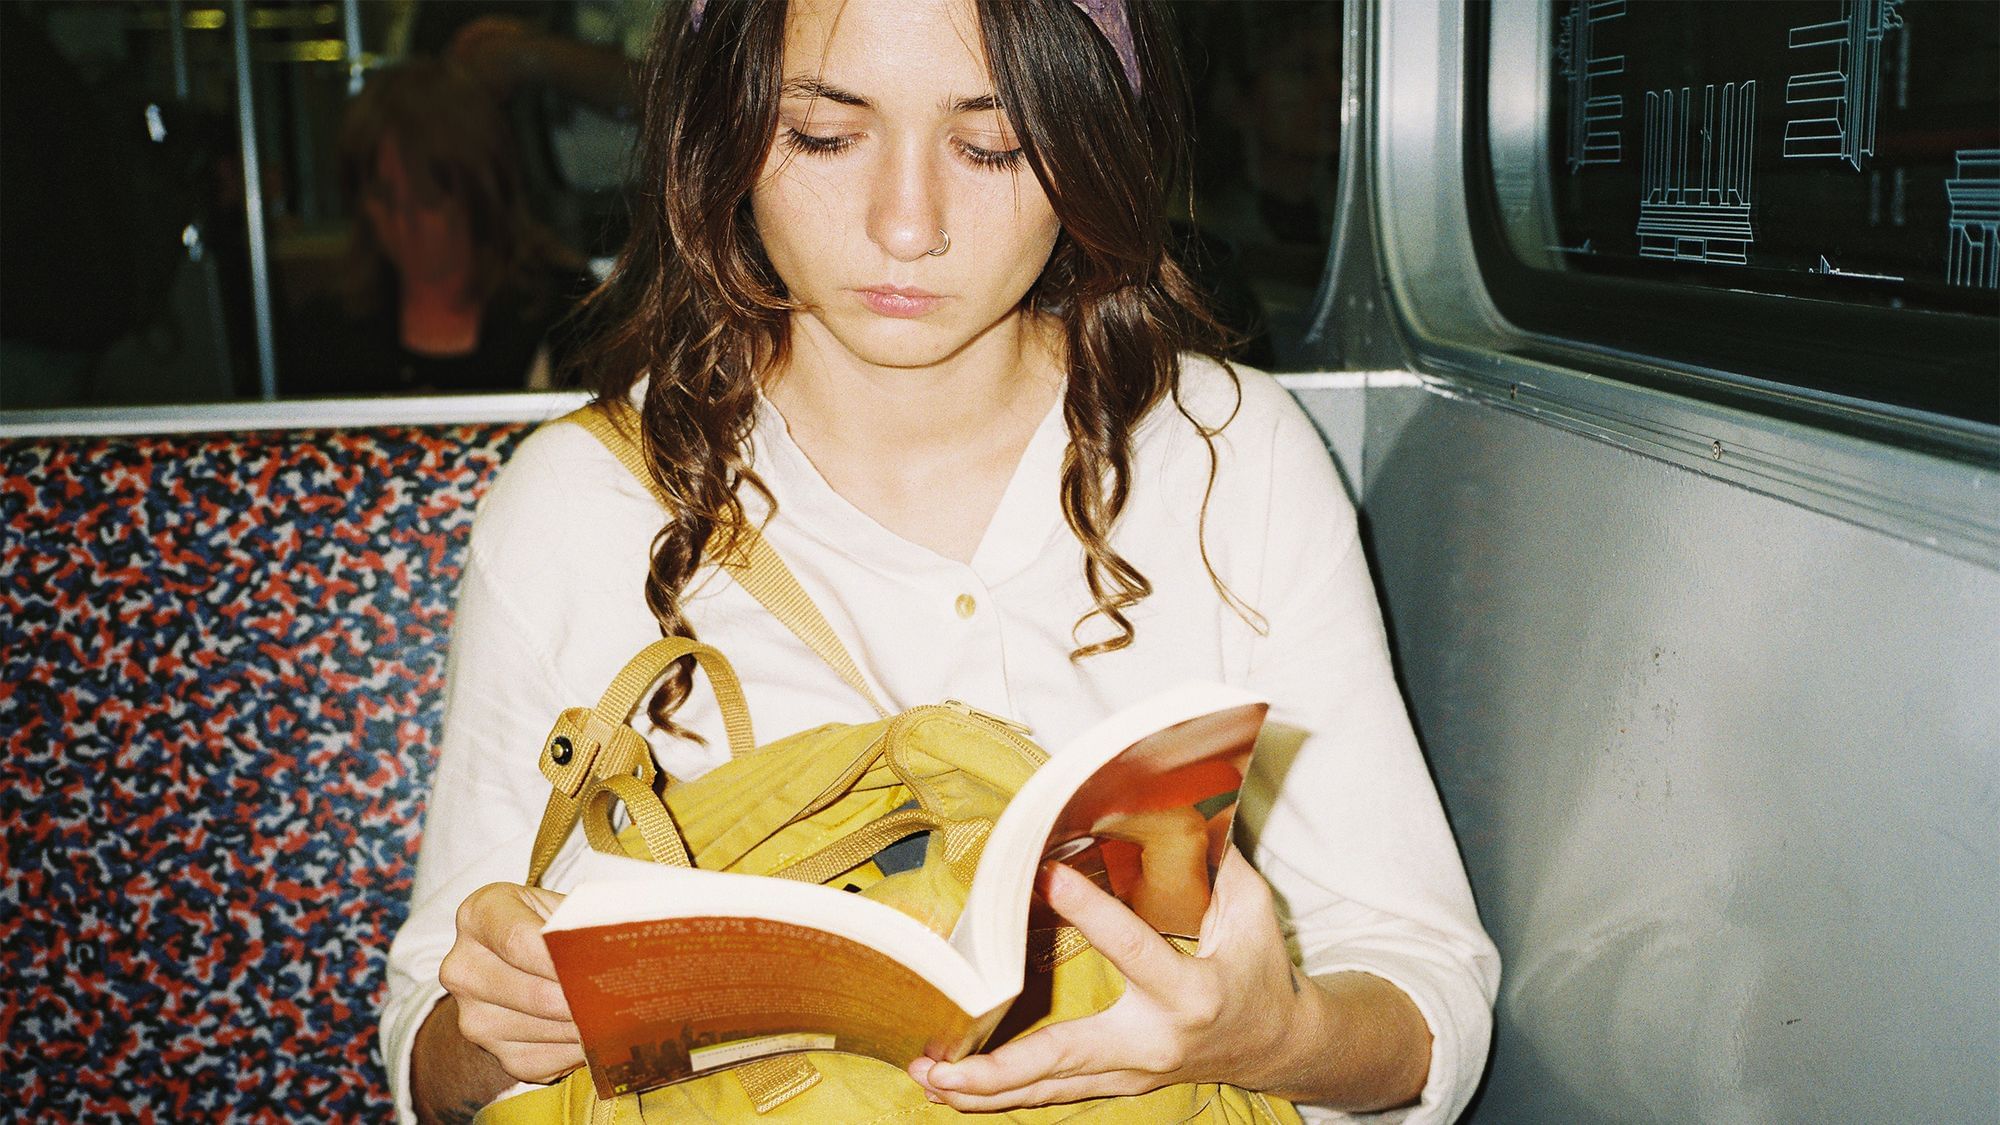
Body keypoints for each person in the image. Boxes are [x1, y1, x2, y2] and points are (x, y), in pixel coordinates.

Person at [380, 1, 1498, 1122]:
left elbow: (1421, 992)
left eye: (991, 146)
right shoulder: (579, 502)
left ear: (1088, 143)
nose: (906, 224)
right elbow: (429, 1057)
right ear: (719, 133)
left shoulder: (1223, 458)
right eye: (822, 136)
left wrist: (1277, 1036)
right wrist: (503, 1025)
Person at [284, 61, 592, 396]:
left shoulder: (571, 314)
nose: (405, 220)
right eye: (383, 197)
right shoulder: (325, 334)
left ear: (480, 191)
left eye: (427, 196)